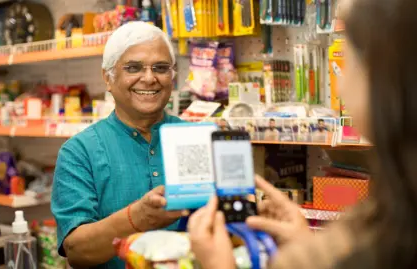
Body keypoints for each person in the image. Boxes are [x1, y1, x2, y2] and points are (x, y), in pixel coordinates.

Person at [188, 0, 417, 268]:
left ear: (387, 82)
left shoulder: (391, 237)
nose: (340, 86)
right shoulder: (395, 207)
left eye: (348, 63)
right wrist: (305, 245)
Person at [51, 22, 186, 269]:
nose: (149, 78)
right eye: (133, 68)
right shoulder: (79, 152)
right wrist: (138, 217)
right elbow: (76, 250)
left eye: (161, 68)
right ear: (108, 77)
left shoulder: (195, 139)